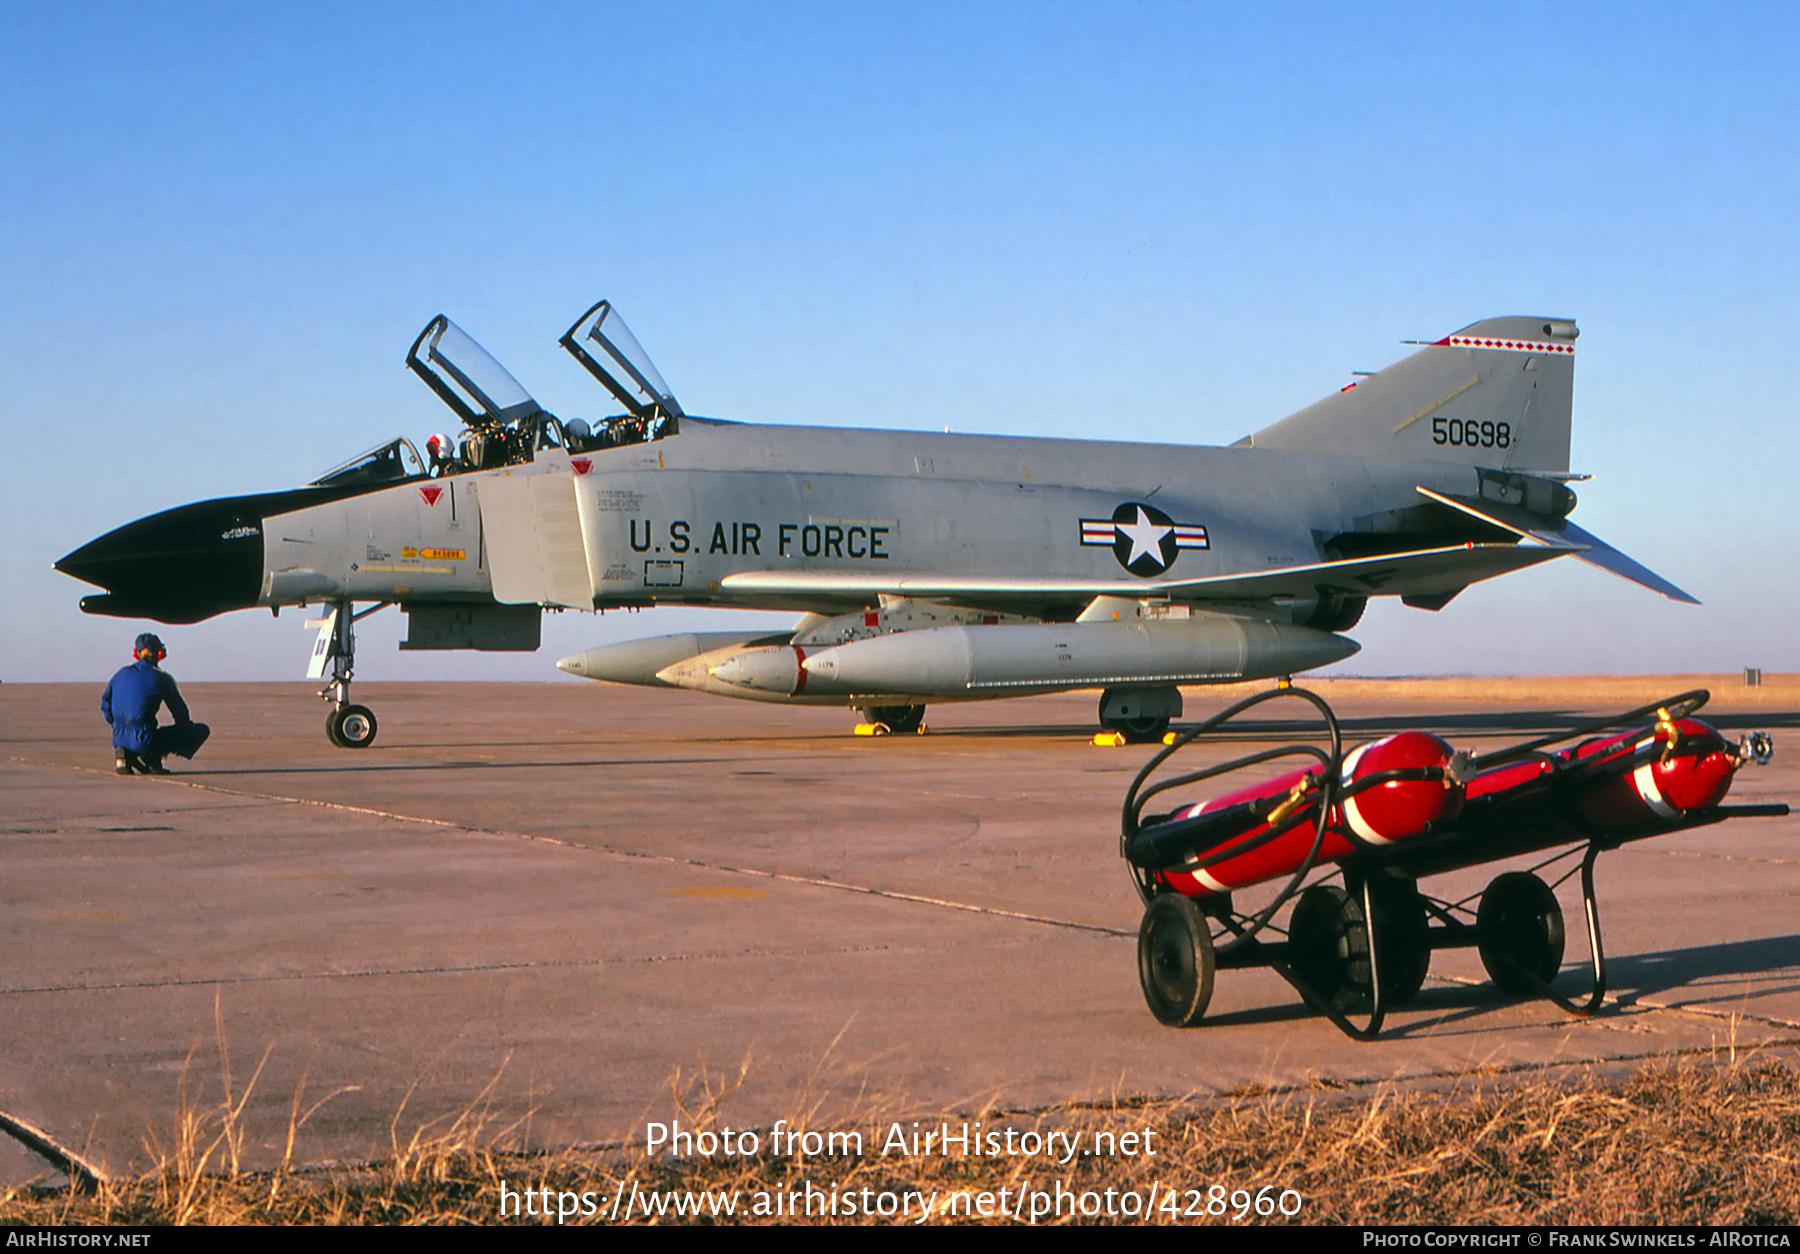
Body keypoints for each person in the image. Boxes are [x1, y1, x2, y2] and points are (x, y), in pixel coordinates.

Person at [102, 633, 210, 775]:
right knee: (201, 730)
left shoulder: (119, 674)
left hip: (118, 738)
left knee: (136, 732)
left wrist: (117, 724)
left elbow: (105, 703)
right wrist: (183, 730)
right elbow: (179, 711)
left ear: (136, 653)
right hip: (145, 740)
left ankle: (123, 755)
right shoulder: (162, 678)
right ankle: (152, 756)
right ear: (160, 654)